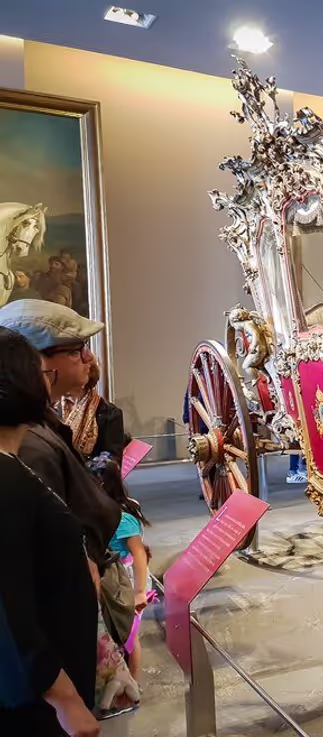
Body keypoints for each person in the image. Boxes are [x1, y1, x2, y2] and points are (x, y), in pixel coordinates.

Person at [0, 326, 101, 737]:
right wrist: (66, 699)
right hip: (36, 699)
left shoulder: (13, 461)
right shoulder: (5, 479)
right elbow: (10, 604)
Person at [0, 299, 120, 568]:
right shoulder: (29, 442)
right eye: (77, 350)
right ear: (36, 359)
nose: (88, 358)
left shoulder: (42, 422)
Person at [88, 454, 152, 680]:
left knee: (129, 635)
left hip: (127, 577)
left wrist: (139, 592)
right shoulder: (111, 510)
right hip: (114, 576)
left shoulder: (121, 516)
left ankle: (133, 682)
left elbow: (139, 554)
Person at [60, 360, 129, 464]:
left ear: (84, 381)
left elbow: (111, 461)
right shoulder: (52, 408)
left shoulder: (110, 413)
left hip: (89, 478)